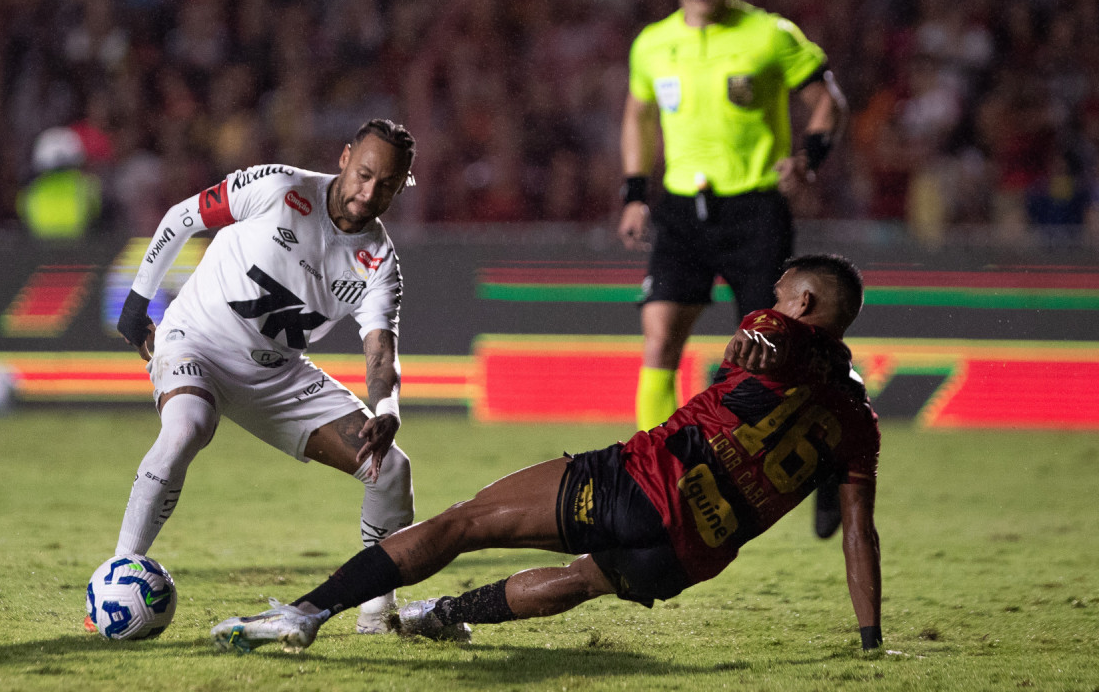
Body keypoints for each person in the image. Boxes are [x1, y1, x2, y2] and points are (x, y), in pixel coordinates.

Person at [210, 254, 883, 655]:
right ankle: (443, 616)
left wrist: (756, 341)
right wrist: (869, 637)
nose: (767, 304)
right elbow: (859, 532)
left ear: (802, 301)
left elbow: (762, 339)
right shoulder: (857, 423)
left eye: (778, 295)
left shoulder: (776, 329)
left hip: (641, 484)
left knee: (464, 523)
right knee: (586, 580)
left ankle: (304, 614)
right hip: (691, 554)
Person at [99, 119, 418, 636]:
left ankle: (376, 614)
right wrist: (137, 303)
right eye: (364, 174)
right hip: (195, 341)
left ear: (401, 185)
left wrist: (387, 411)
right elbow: (183, 218)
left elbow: (381, 353)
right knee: (187, 427)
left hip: (276, 375)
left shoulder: (379, 263)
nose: (368, 192)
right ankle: (119, 574)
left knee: (390, 469)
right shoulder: (280, 187)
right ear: (344, 158)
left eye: (386, 184)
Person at [616, 0, 849, 537]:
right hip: (680, 210)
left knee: (781, 352)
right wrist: (636, 193)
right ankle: (654, 486)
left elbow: (829, 101)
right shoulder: (653, 45)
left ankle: (829, 464)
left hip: (754, 209)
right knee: (660, 336)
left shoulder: (769, 34)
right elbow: (638, 116)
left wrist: (809, 158)